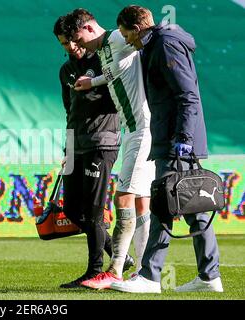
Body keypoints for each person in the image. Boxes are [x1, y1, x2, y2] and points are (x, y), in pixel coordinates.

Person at [110, 5, 223, 293]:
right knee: (195, 209)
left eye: (126, 34)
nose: (126, 40)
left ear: (136, 28)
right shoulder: (156, 45)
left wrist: (183, 138)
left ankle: (149, 276)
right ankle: (209, 277)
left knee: (163, 204)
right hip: (173, 138)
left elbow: (187, 94)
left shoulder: (165, 45)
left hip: (177, 142)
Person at [62, 8, 154, 289]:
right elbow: (117, 72)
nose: (77, 46)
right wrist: (94, 81)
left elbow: (150, 35)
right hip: (132, 131)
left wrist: (169, 33)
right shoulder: (101, 52)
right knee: (139, 201)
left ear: (90, 28)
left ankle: (116, 270)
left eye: (78, 39)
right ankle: (143, 272)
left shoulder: (116, 38)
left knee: (123, 198)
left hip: (139, 130)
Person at [53, 15, 134, 289]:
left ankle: (94, 271)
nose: (71, 47)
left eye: (73, 41)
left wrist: (93, 85)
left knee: (94, 211)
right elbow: (70, 112)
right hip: (77, 144)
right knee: (73, 210)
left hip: (103, 141)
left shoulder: (102, 61)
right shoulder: (65, 72)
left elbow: (117, 99)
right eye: (65, 43)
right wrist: (68, 148)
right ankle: (119, 253)